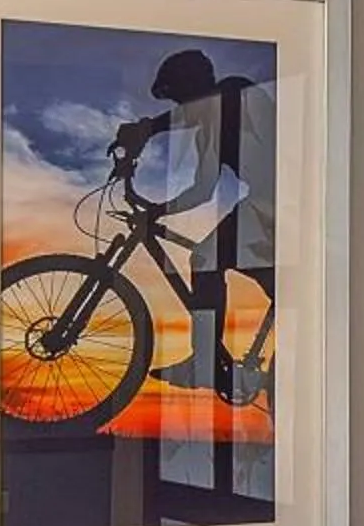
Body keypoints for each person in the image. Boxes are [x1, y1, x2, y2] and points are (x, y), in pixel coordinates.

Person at [110, 45, 275, 402]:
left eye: (180, 98)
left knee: (205, 258)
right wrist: (159, 209)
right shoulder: (206, 131)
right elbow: (202, 190)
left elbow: (204, 109)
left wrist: (148, 128)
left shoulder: (235, 91)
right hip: (267, 208)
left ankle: (203, 362)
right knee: (269, 282)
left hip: (277, 205)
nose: (180, 108)